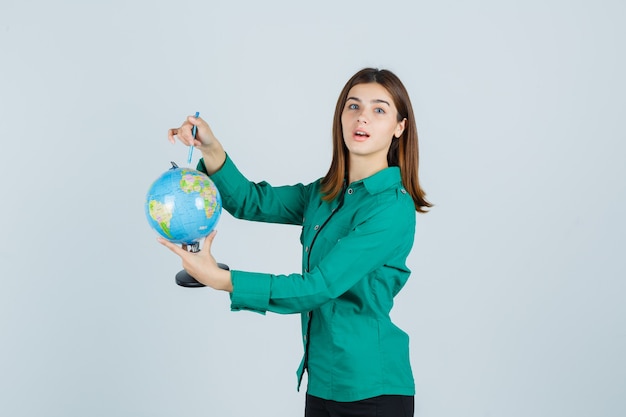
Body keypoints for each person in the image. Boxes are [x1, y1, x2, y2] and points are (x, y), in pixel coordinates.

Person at [161, 67, 431, 417]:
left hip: (373, 393)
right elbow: (250, 201)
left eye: (379, 109)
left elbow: (319, 287)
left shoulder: (392, 208)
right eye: (353, 106)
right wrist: (211, 147)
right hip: (321, 384)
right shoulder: (325, 193)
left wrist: (222, 280)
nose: (362, 117)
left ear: (399, 127)